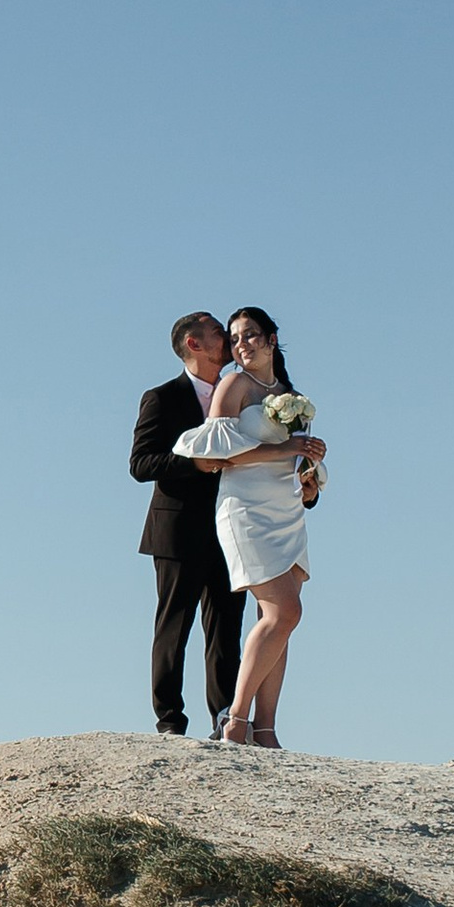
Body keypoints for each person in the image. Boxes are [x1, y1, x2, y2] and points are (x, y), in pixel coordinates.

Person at [171, 305, 326, 748]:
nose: (242, 345)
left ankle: (266, 728)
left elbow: (294, 459)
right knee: (284, 612)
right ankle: (235, 720)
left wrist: (308, 478)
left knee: (277, 620)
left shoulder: (291, 394)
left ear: (272, 340)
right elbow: (214, 456)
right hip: (246, 509)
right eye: (236, 338)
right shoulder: (233, 384)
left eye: (251, 336)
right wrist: (283, 450)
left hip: (287, 510)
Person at [129, 311, 245, 739]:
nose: (229, 339)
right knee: (174, 625)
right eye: (219, 332)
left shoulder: (244, 396)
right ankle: (170, 722)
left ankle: (226, 719)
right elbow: (140, 464)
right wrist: (194, 463)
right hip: (177, 530)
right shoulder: (161, 397)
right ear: (194, 344)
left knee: (227, 628)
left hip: (232, 526)